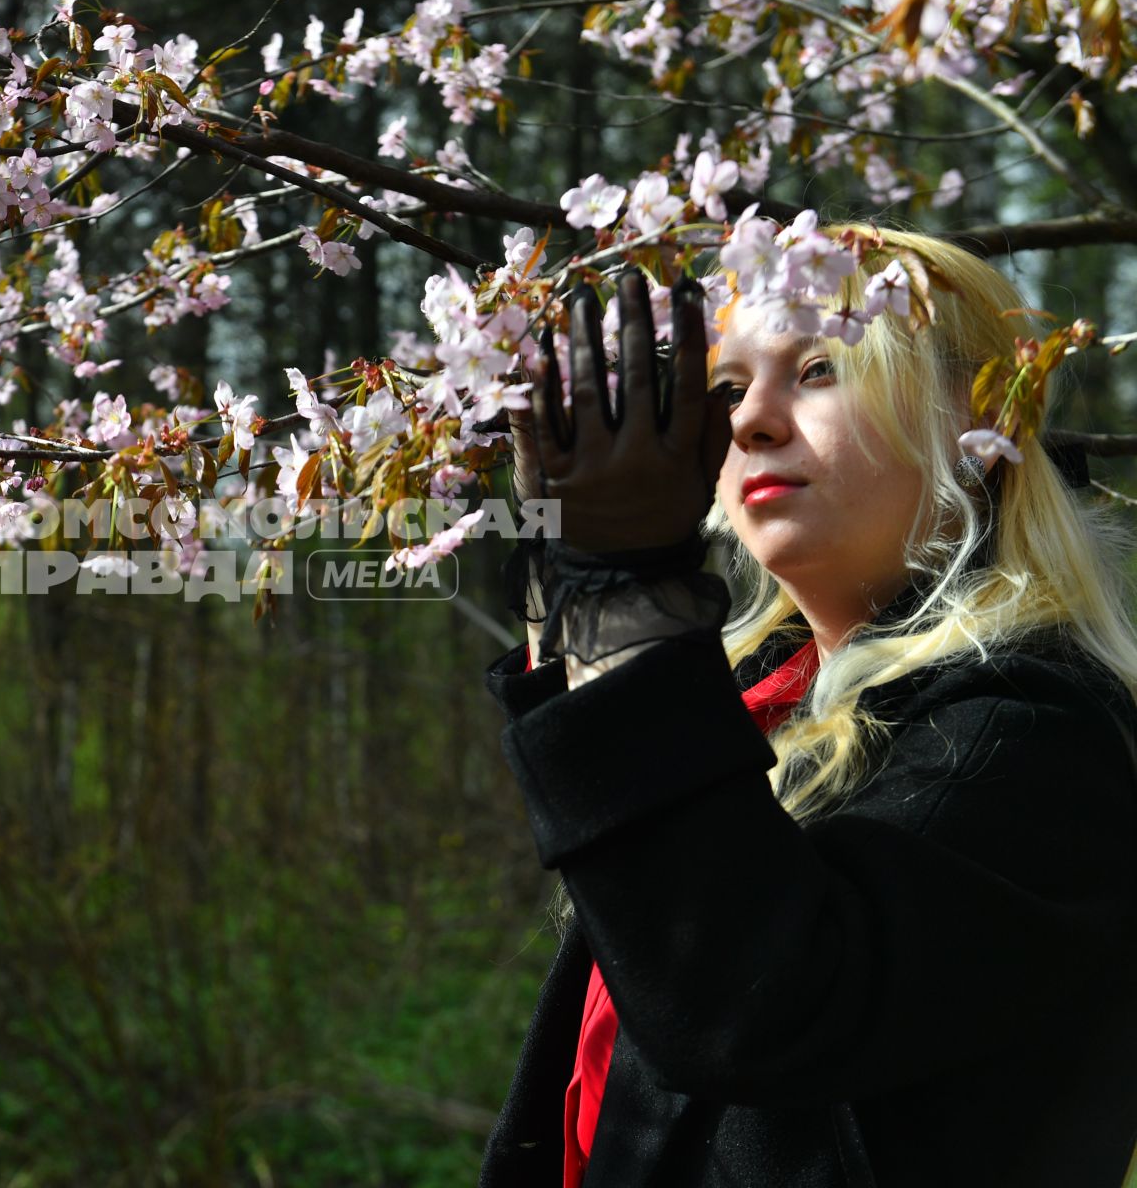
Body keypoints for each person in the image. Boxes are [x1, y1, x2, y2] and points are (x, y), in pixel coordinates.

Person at [481, 230, 1137, 1187]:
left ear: (978, 414)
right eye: (730, 384)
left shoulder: (1027, 739)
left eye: (818, 369)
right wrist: (576, 588)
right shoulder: (750, 709)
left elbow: (754, 1004)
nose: (751, 421)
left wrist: (628, 598)